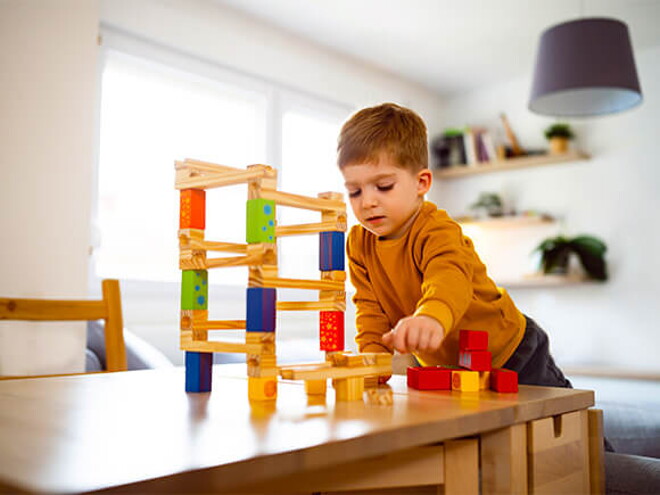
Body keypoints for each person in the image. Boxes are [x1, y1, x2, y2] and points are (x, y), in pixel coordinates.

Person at [337, 102, 571, 388]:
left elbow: (448, 277)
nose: (367, 202)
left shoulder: (437, 229)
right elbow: (369, 308)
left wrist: (431, 316)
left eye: (384, 186)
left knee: (559, 415)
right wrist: (373, 356)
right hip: (448, 367)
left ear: (422, 182)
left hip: (509, 350)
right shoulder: (359, 243)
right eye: (354, 191)